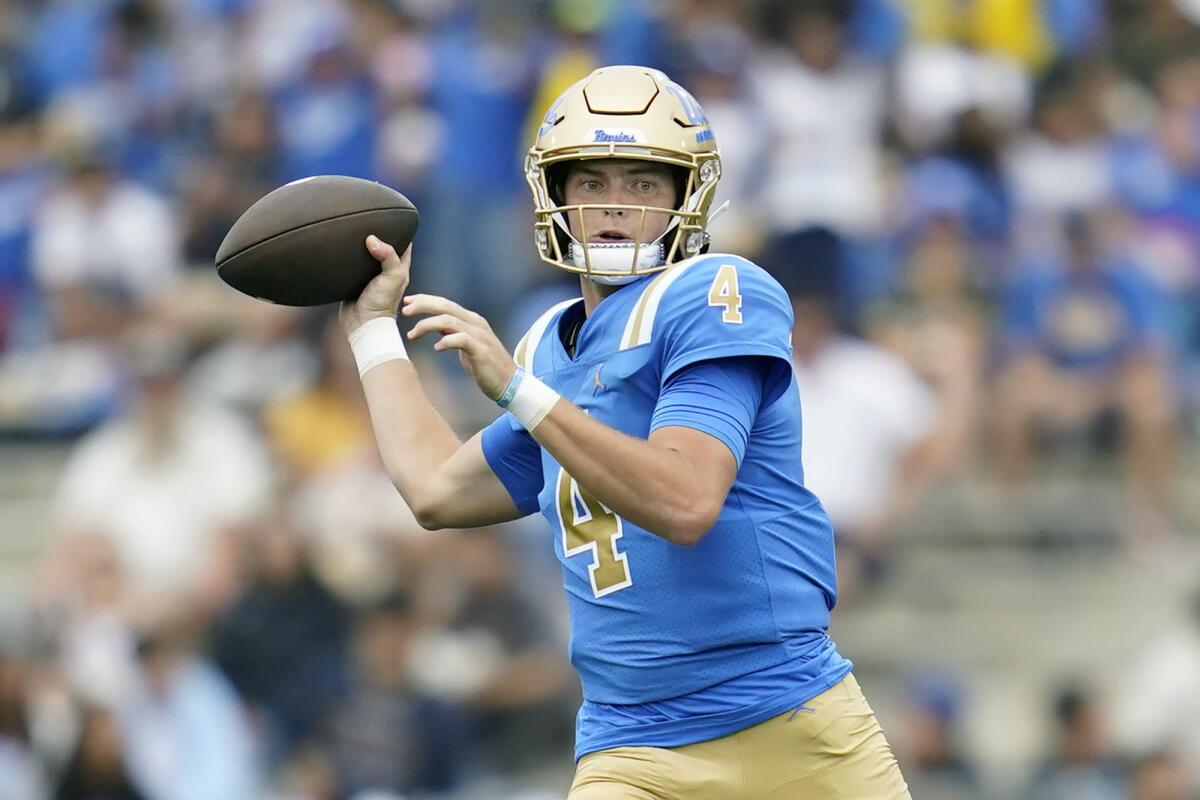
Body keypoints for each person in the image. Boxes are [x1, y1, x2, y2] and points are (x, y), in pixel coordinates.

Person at [338, 65, 909, 798]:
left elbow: (685, 501)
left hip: (788, 723)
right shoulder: (548, 343)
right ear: (558, 197)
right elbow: (435, 489)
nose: (615, 206)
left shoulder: (715, 293)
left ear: (686, 196)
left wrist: (517, 391)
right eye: (592, 183)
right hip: (631, 743)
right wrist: (374, 332)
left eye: (643, 184)